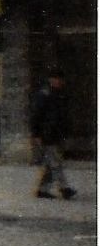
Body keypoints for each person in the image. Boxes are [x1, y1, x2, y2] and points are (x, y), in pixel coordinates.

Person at [30, 68, 77, 200]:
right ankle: (64, 188)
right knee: (55, 161)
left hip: (57, 132)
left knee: (51, 163)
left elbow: (64, 115)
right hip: (47, 133)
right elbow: (36, 115)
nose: (58, 82)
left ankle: (42, 189)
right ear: (51, 80)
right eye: (56, 79)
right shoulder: (44, 95)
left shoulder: (61, 94)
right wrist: (36, 134)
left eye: (60, 79)